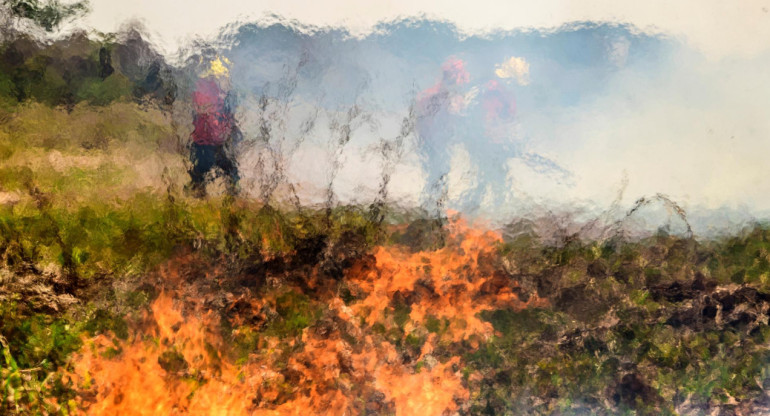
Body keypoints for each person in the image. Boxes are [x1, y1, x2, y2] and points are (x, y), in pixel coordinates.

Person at [186, 56, 241, 197]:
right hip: (204, 141)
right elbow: (201, 108)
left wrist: (232, 129)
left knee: (229, 169)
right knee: (204, 167)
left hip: (217, 141)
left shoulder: (225, 93)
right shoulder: (204, 88)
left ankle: (232, 195)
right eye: (222, 76)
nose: (224, 79)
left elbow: (227, 116)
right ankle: (196, 192)